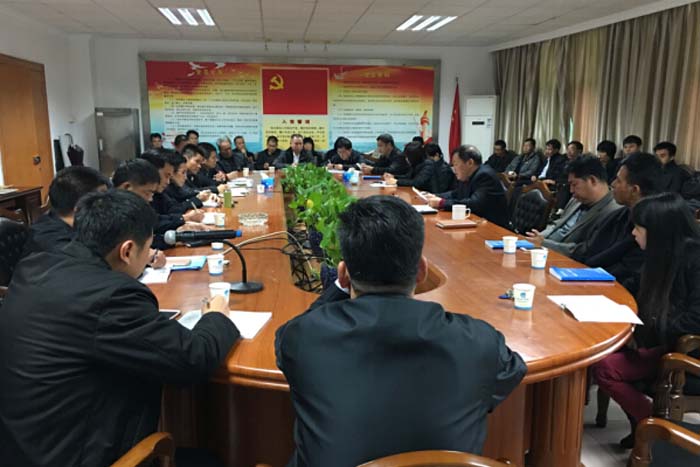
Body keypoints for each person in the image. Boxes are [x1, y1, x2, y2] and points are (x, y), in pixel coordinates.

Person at [276, 195, 526, 467]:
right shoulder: (478, 342)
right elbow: (512, 370)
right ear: (421, 271)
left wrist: (337, 288)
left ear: (344, 274)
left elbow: (291, 334)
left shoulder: (303, 338)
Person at [0, 189, 240, 466]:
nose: (149, 256)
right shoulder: (112, 296)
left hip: (22, 446)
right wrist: (217, 315)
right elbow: (193, 359)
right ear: (126, 251)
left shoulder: (35, 265)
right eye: (147, 249)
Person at [593, 192, 700, 448]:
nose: (633, 233)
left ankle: (654, 427)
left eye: (639, 228)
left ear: (659, 231)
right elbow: (635, 286)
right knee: (595, 350)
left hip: (683, 353)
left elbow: (695, 320)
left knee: (605, 368)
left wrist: (644, 333)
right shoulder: (661, 253)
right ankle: (643, 425)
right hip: (658, 341)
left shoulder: (694, 261)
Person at [573, 153, 662, 294]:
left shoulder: (654, 227)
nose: (613, 184)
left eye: (619, 181)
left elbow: (629, 276)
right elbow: (588, 250)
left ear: (635, 190)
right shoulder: (617, 216)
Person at [526, 156, 620, 257]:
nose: (571, 190)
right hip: (542, 250)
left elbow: (585, 250)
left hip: (564, 259)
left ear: (592, 180)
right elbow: (558, 223)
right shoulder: (577, 199)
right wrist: (538, 237)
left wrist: (544, 243)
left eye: (574, 185)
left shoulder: (613, 212)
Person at [23, 166, 110, 257]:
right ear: (80, 207)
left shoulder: (65, 221)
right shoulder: (58, 245)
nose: (109, 205)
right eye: (103, 200)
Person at [426, 145, 509, 227]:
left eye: (456, 164)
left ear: (470, 163)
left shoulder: (485, 175)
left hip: (494, 228)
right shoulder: (468, 175)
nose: (453, 169)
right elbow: (456, 193)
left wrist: (442, 203)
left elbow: (474, 204)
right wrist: (435, 196)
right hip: (476, 222)